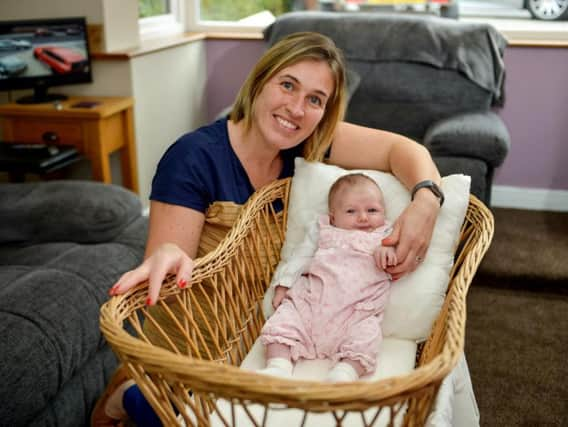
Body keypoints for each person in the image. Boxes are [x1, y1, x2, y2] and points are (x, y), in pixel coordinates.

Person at [92, 31, 443, 426]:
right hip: (197, 344)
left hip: (269, 331)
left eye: (315, 99)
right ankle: (127, 395)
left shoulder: (308, 145)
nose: (296, 108)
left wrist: (426, 201)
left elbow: (406, 151)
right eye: (287, 85)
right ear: (260, 81)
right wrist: (170, 251)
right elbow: (169, 253)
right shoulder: (193, 156)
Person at [259, 173, 397, 382]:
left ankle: (345, 372)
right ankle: (278, 366)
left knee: (367, 336)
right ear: (333, 217)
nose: (363, 217)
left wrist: (389, 253)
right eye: (351, 211)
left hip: (357, 312)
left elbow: (402, 258)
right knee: (284, 321)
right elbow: (300, 256)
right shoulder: (323, 230)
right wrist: (283, 284)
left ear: (383, 212)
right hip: (311, 304)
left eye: (372, 210)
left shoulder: (386, 235)